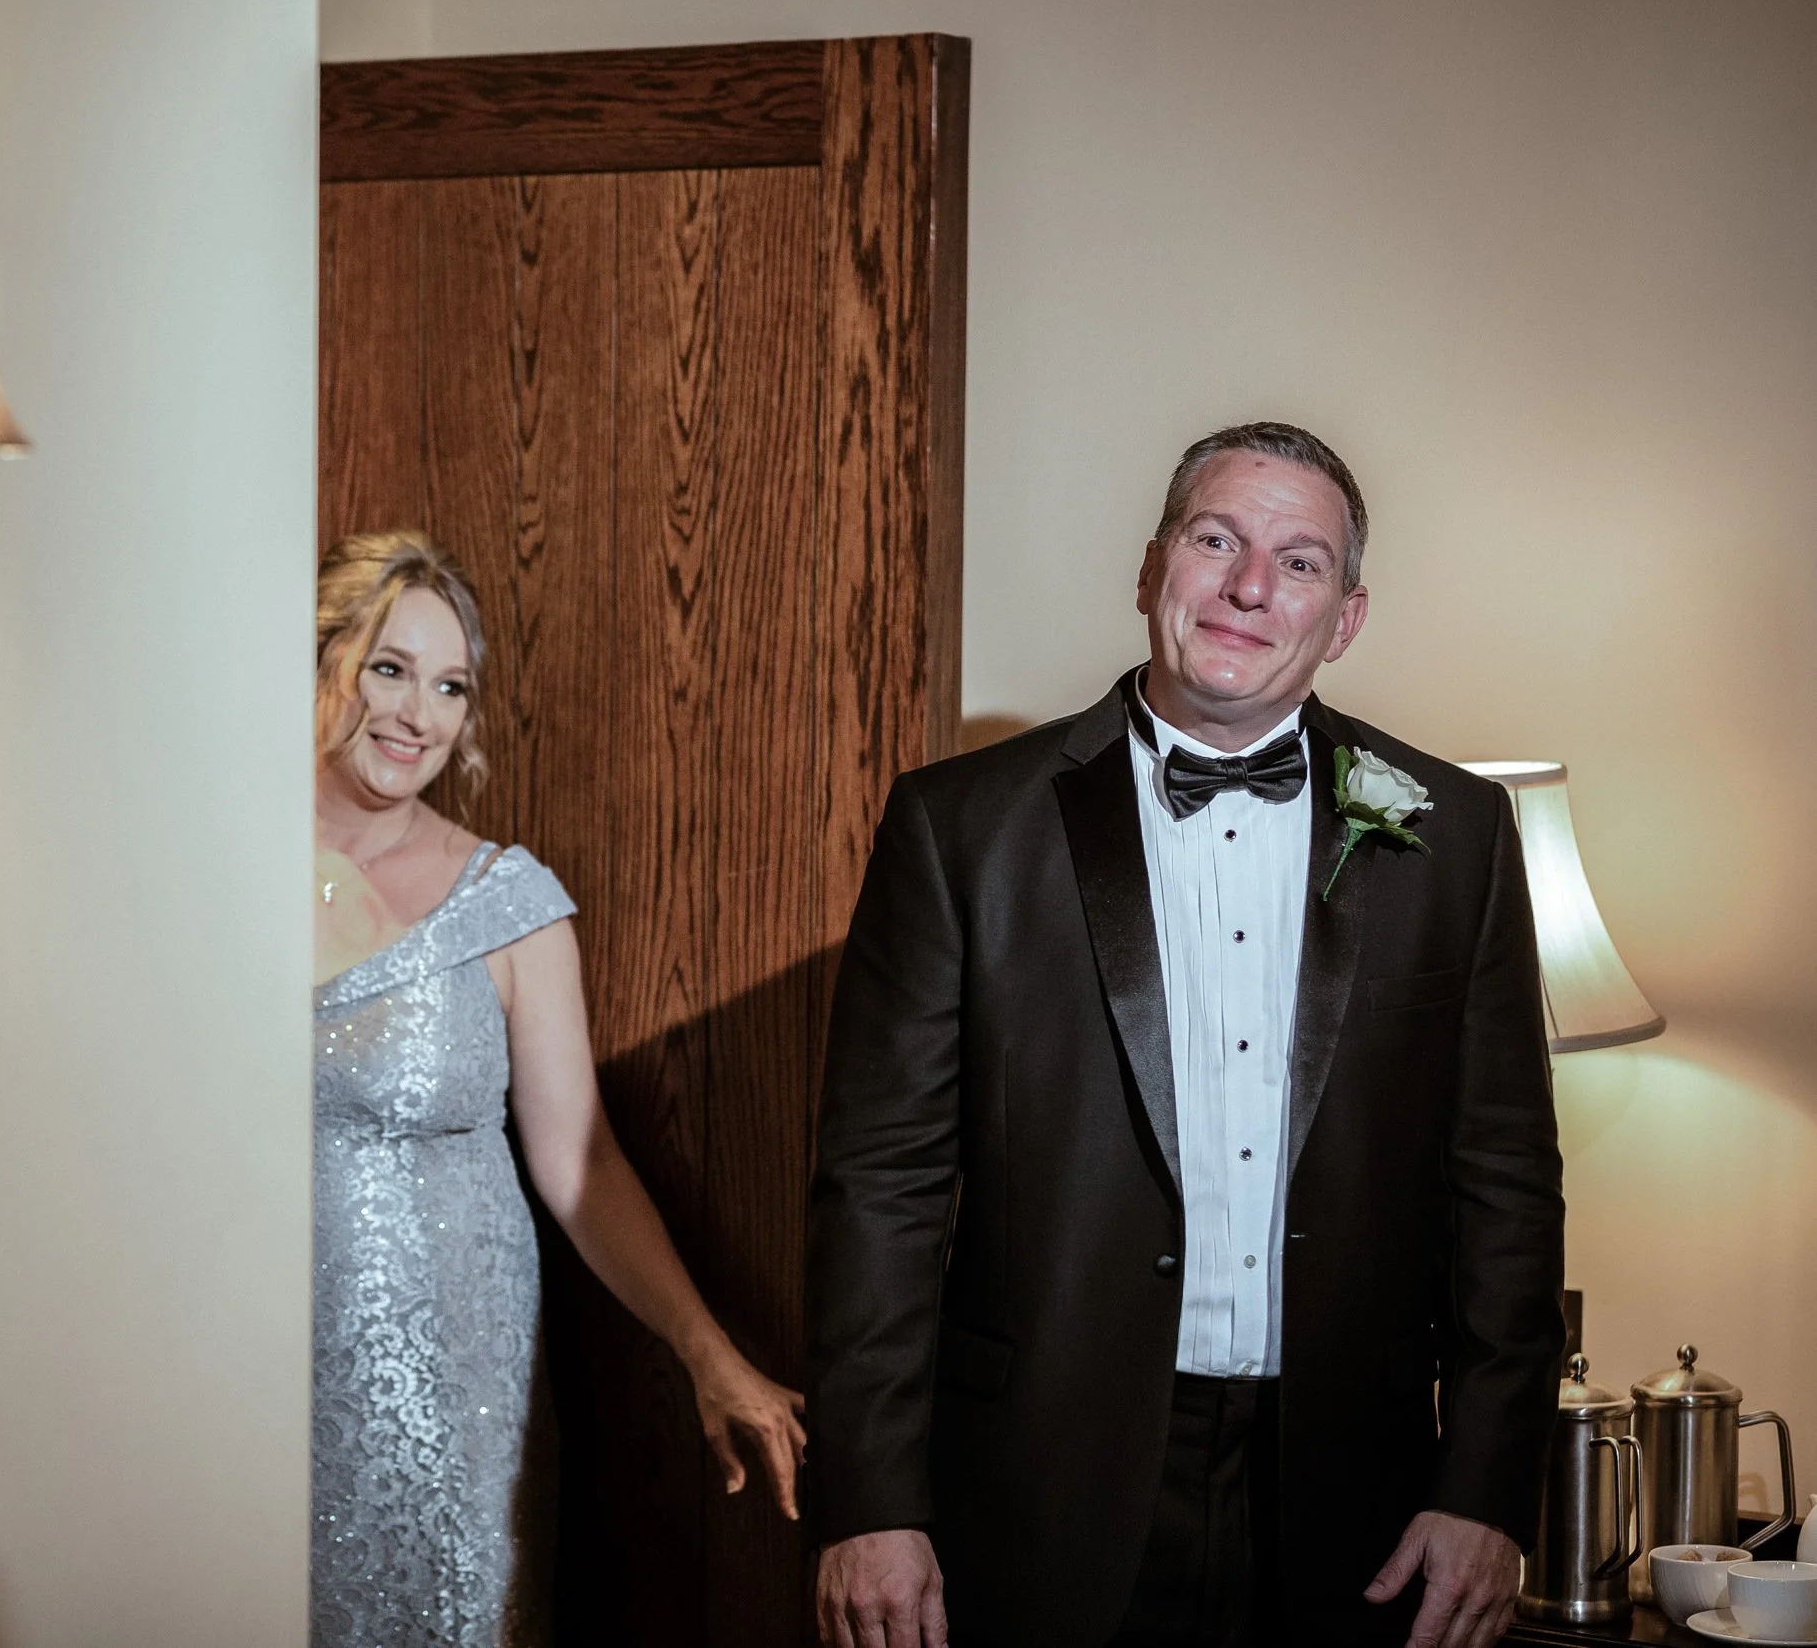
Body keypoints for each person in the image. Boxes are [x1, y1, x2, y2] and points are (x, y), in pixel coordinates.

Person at [806, 423, 1565, 1648]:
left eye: (1298, 561)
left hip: (1358, 1500)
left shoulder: (1458, 836)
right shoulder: (960, 829)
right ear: (1152, 562)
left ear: (1347, 615)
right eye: (1216, 539)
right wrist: (869, 1500)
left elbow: (1508, 1192)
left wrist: (1485, 1487)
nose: (1250, 586)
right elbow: (876, 1191)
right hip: (1035, 1484)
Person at [310, 531, 806, 1647]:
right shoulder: (202, 861)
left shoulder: (507, 900)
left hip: (447, 1392)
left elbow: (581, 1160)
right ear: (320, 658)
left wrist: (706, 1350)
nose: (417, 715)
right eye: (389, 667)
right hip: (233, 1356)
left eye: (451, 687)